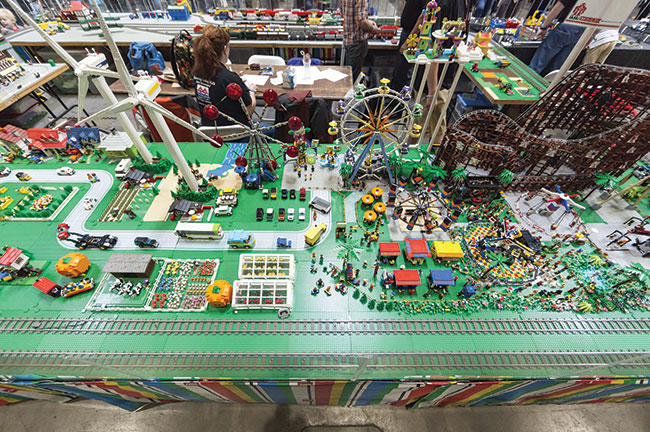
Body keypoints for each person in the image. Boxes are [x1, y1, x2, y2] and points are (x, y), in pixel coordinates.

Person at [423, 0, 470, 144]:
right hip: (435, 82)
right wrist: (432, 92)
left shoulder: (464, 3)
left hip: (444, 77)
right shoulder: (444, 3)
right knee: (436, 128)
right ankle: (420, 162)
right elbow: (432, 48)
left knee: (424, 127)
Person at [191, 25, 257, 127]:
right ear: (225, 48)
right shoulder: (230, 78)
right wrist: (252, 90)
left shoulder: (196, 73)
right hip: (239, 135)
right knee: (272, 132)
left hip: (209, 133)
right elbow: (249, 110)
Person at [528, 0, 582, 75]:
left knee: (538, 63)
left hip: (567, 26)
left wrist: (544, 27)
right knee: (556, 70)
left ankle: (526, 81)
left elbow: (558, 7)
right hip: (582, 31)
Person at [390, 0, 428, 92]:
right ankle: (395, 95)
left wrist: (408, 41)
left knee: (403, 68)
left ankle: (400, 99)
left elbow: (423, 17)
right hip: (408, 32)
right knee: (400, 68)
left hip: (413, 35)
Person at [341, 0, 379, 81]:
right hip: (357, 41)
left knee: (348, 75)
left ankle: (347, 92)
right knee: (353, 79)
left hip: (348, 39)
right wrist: (373, 28)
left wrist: (368, 21)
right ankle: (351, 93)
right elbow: (360, 20)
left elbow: (344, 13)